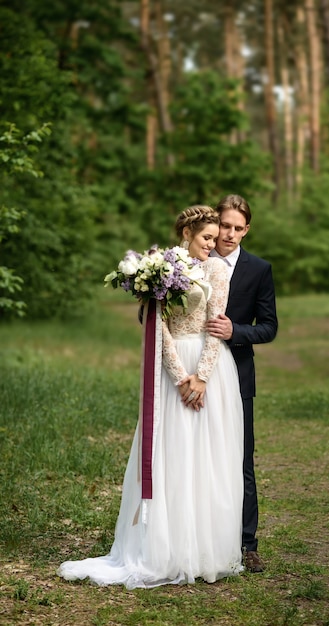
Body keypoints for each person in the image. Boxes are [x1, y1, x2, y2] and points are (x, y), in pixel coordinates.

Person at [58, 206, 244, 588]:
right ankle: (164, 546)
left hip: (209, 370)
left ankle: (203, 548)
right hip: (172, 368)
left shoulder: (217, 272)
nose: (214, 244)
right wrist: (180, 378)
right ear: (188, 233)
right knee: (171, 453)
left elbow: (216, 326)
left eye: (216, 237)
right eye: (207, 237)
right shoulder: (162, 268)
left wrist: (202, 378)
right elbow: (158, 328)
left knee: (207, 456)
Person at [206, 194, 278, 573]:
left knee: (240, 458)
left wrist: (238, 330)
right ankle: (200, 534)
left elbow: (269, 327)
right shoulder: (192, 262)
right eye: (225, 226)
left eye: (238, 228)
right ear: (215, 224)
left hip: (237, 375)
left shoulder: (259, 269)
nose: (230, 234)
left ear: (247, 229)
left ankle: (247, 543)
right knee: (197, 455)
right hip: (192, 374)